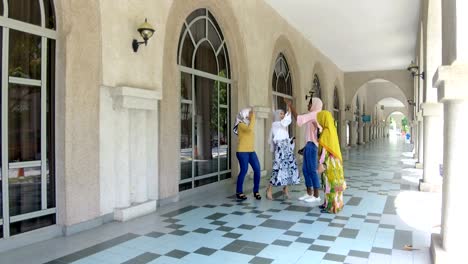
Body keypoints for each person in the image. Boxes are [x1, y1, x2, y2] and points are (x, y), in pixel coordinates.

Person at [288, 97, 323, 203]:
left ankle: (316, 195)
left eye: (310, 103)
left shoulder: (315, 114)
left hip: (313, 146)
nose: (308, 105)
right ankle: (309, 193)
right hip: (309, 144)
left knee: (312, 170)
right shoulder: (315, 114)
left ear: (315, 104)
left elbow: (299, 118)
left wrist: (290, 106)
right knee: (305, 170)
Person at [266, 106, 300, 200]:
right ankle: (269, 189)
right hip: (280, 150)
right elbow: (285, 121)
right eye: (281, 113)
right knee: (278, 169)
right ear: (277, 115)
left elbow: (285, 137)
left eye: (283, 113)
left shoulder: (283, 126)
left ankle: (285, 189)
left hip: (287, 149)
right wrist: (289, 112)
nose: (282, 115)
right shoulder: (276, 124)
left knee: (288, 169)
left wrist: (291, 141)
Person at [317, 110, 346, 213]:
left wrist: (321, 163)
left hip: (329, 164)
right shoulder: (332, 129)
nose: (318, 121)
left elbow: (324, 150)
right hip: (335, 163)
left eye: (320, 119)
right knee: (332, 185)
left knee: (330, 186)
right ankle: (329, 204)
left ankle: (331, 207)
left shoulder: (325, 132)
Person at [233, 108, 261, 200]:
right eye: (249, 113)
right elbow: (249, 130)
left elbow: (250, 129)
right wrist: (253, 117)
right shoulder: (240, 124)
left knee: (257, 170)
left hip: (251, 151)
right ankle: (239, 192)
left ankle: (256, 191)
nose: (251, 115)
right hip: (242, 152)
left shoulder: (248, 124)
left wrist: (252, 117)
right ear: (244, 114)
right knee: (244, 171)